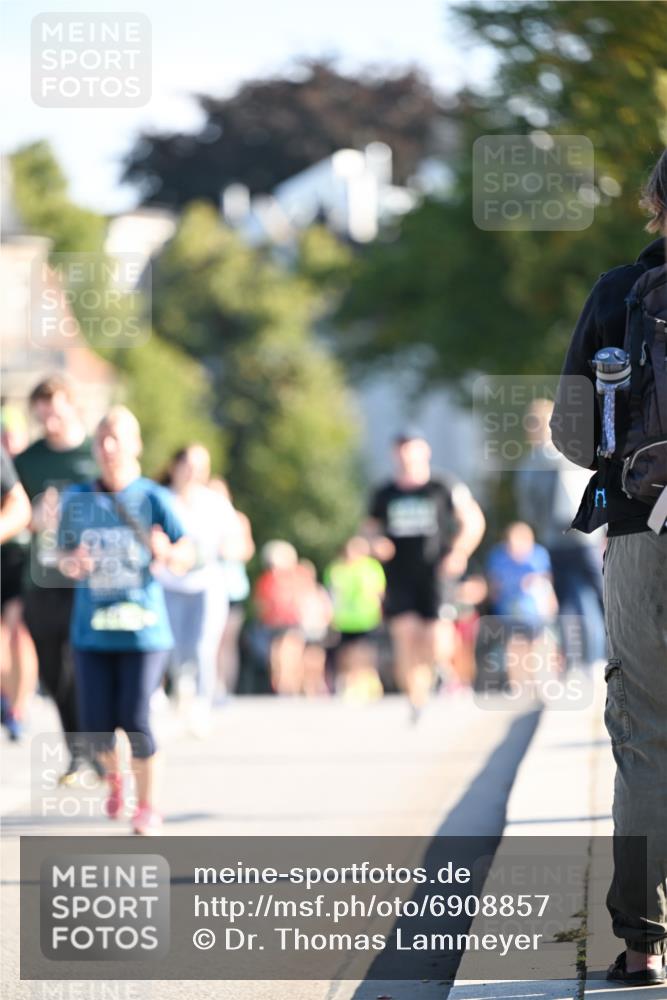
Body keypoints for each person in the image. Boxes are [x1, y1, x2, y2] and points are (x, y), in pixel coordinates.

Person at [551, 148, 667, 984]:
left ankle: (640, 945)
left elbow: (568, 430)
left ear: (652, 203)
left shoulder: (617, 293)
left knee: (645, 732)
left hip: (641, 539)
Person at [58, 407, 193, 835]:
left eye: (117, 438)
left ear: (135, 445)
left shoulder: (155, 498)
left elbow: (189, 552)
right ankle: (115, 776)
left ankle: (148, 806)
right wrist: (72, 563)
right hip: (92, 631)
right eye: (102, 439)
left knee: (135, 720)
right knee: (97, 729)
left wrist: (168, 553)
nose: (109, 447)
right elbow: (61, 555)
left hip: (144, 631)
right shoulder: (77, 499)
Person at [366, 427, 486, 720]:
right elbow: (368, 530)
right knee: (405, 635)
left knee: (436, 641)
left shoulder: (443, 486)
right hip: (399, 576)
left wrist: (459, 552)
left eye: (412, 447)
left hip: (436, 574)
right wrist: (374, 543)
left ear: (425, 451)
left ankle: (444, 673)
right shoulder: (384, 493)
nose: (407, 454)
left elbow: (473, 520)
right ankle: (416, 700)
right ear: (394, 454)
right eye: (401, 448)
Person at [14, 375, 98, 779]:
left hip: (93, 583)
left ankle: (99, 749)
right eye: (41, 411)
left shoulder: (95, 454)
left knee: (88, 665)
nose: (48, 418)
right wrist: (35, 518)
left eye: (55, 408)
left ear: (73, 405)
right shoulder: (27, 461)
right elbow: (13, 513)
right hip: (44, 580)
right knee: (55, 671)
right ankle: (79, 751)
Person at [515, 398, 605, 671]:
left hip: (566, 538)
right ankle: (595, 659)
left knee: (579, 601)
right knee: (593, 599)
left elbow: (529, 505)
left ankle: (587, 661)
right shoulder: (566, 453)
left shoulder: (534, 461)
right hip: (578, 537)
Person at [155, 446, 238, 734]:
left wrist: (227, 550)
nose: (193, 472)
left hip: (207, 584)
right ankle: (181, 693)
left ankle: (201, 705)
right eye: (189, 465)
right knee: (175, 649)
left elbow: (236, 540)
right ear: (175, 466)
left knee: (204, 646)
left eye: (201, 466)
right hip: (170, 583)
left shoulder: (214, 502)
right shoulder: (161, 499)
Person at [0, 408, 38, 741]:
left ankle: (18, 707)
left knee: (17, 632)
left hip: (18, 558)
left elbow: (20, 507)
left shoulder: (28, 462)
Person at [486, 522, 558, 691]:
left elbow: (547, 581)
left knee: (540, 643)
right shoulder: (498, 557)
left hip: (534, 610)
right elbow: (493, 585)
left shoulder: (538, 555)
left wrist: (550, 601)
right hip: (509, 609)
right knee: (515, 645)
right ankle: (519, 683)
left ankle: (542, 680)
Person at [208, 477, 255, 699]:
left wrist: (227, 551)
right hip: (206, 588)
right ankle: (207, 685)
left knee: (227, 641)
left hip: (232, 589)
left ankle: (225, 687)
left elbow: (247, 550)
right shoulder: (200, 519)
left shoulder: (238, 520)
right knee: (208, 641)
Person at [324, 536, 386, 701]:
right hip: (344, 620)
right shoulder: (336, 568)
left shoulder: (371, 567)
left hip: (367, 616)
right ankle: (349, 684)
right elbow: (331, 595)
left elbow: (379, 592)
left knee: (365, 652)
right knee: (345, 653)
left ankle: (369, 684)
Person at [253, 541, 310, 695]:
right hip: (273, 622)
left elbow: (305, 598)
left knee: (292, 651)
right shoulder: (267, 579)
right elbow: (261, 603)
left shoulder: (299, 575)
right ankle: (281, 683)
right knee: (277, 653)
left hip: (293, 620)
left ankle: (293, 684)